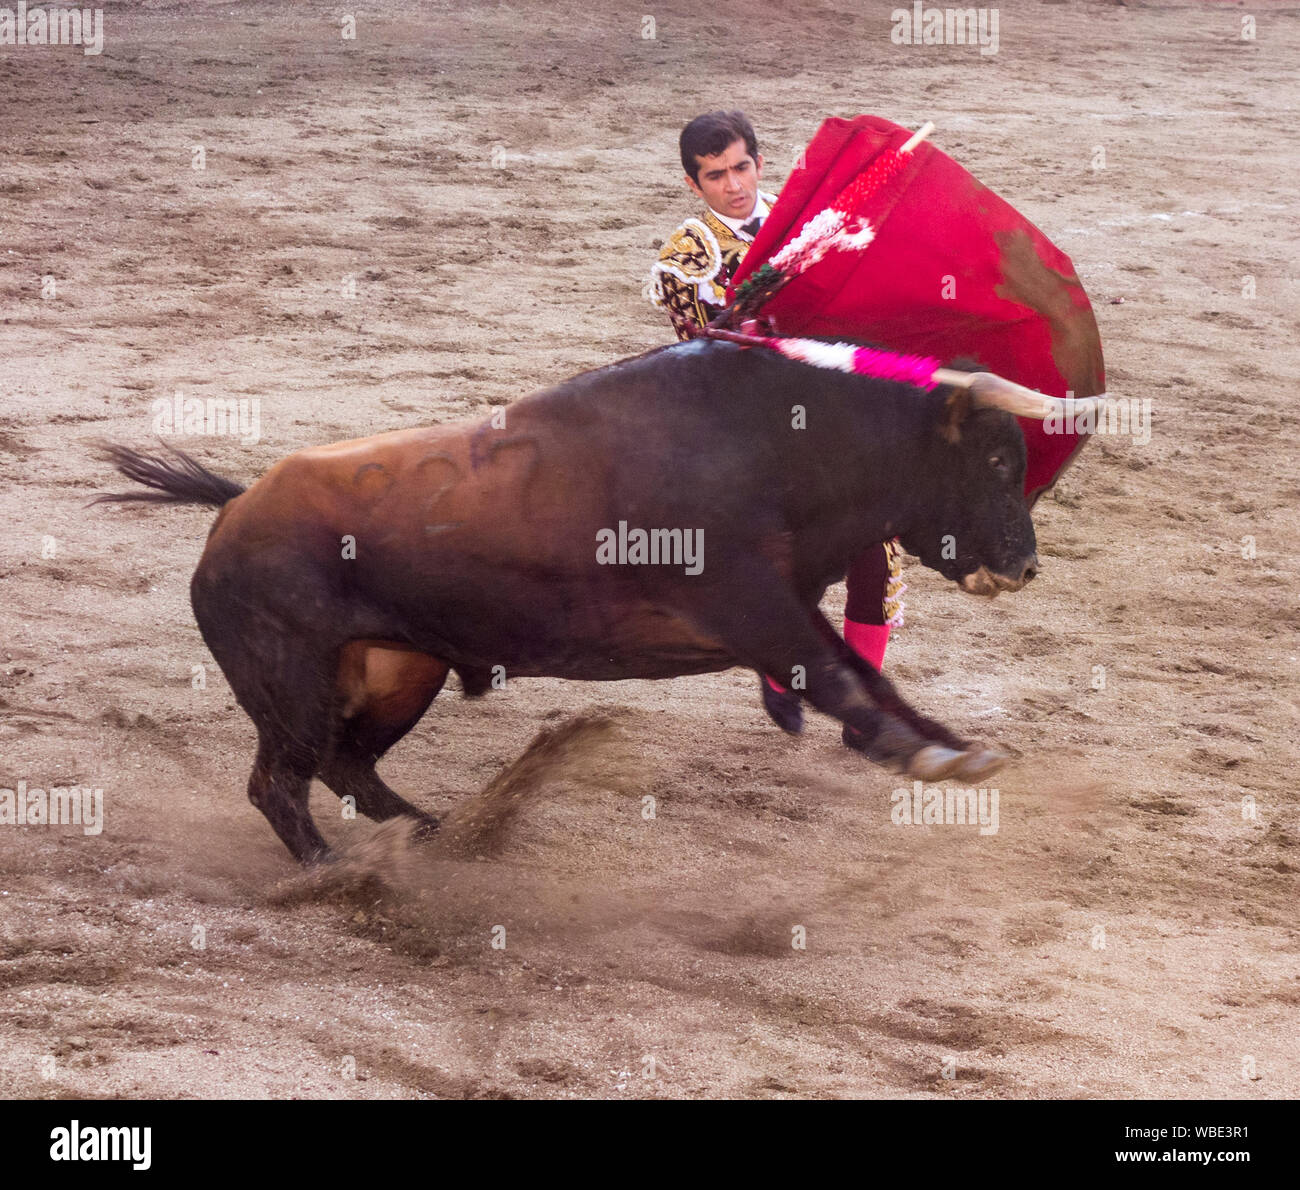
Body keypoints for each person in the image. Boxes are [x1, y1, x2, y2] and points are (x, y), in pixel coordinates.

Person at [648, 110, 905, 751]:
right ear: (693, 184)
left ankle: (862, 707)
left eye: (741, 167)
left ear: (760, 164)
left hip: (839, 416)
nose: (733, 185)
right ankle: (781, 669)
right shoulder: (686, 257)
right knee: (788, 560)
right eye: (715, 176)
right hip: (755, 434)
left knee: (878, 554)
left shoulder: (809, 218)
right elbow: (716, 358)